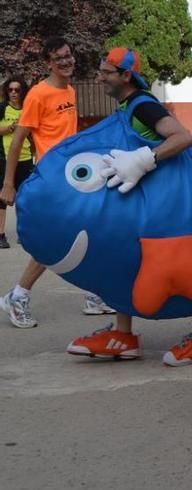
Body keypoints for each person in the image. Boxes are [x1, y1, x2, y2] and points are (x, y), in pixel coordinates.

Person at [62, 47, 192, 366]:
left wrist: (144, 158)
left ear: (125, 76)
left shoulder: (142, 105)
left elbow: (182, 137)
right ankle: (123, 334)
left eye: (105, 72)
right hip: (145, 201)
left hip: (169, 206)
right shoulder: (127, 106)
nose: (100, 77)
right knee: (127, 257)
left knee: (179, 263)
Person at [0, 37, 115, 328]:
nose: (66, 61)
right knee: (56, 239)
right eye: (59, 58)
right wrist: (8, 183)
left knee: (91, 229)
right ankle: (18, 295)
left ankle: (92, 295)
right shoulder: (38, 94)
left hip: (71, 176)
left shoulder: (71, 90)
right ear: (49, 63)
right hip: (52, 179)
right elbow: (17, 141)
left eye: (68, 55)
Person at [0, 76, 34, 249]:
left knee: (23, 197)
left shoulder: (28, 108)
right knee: (1, 198)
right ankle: (1, 235)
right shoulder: (2, 108)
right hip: (4, 158)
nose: (13, 93)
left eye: (17, 90)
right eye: (10, 90)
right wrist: (12, 127)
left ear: (22, 92)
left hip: (26, 157)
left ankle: (23, 233)